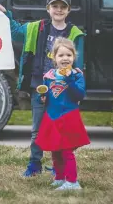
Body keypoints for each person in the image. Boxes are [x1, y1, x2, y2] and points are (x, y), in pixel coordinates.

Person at [0, 0, 85, 177]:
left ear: (68, 10)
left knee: (60, 129)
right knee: (37, 130)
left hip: (64, 91)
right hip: (40, 87)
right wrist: (5, 15)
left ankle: (58, 165)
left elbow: (79, 65)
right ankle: (34, 164)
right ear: (48, 8)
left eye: (63, 7)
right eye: (55, 6)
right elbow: (16, 32)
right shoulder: (38, 27)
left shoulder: (75, 33)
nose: (58, 10)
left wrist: (77, 88)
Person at [35, 37, 90, 190]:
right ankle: (59, 177)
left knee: (67, 150)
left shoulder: (77, 75)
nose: (65, 58)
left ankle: (72, 182)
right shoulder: (49, 76)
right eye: (61, 55)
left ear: (74, 57)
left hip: (69, 117)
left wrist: (70, 79)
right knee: (55, 150)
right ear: (54, 58)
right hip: (52, 117)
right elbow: (47, 97)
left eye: (69, 55)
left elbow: (79, 95)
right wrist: (43, 97)